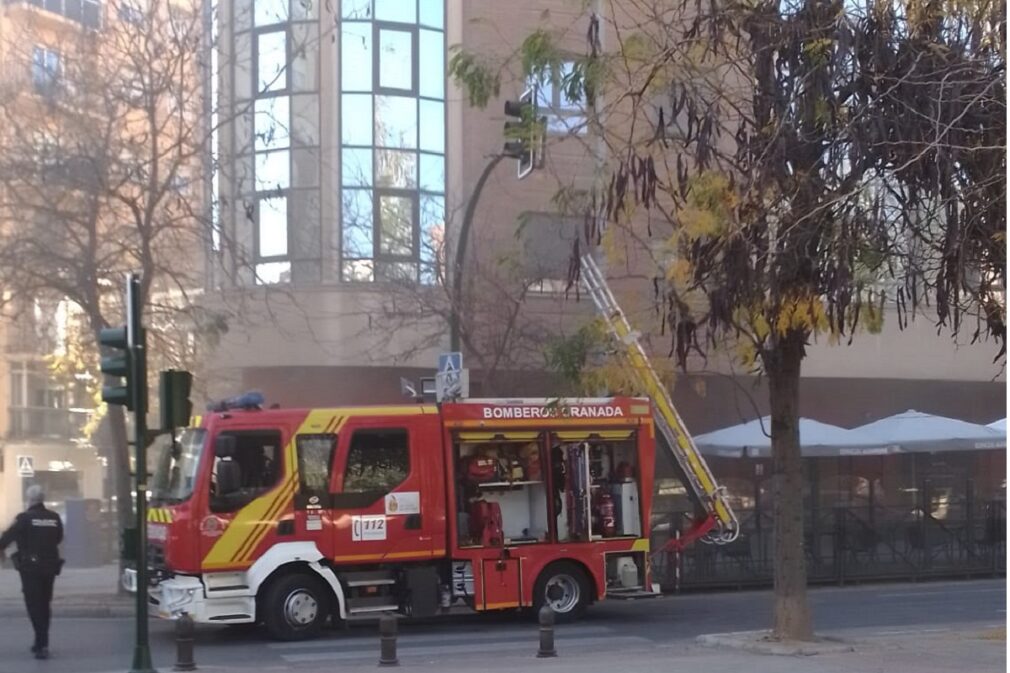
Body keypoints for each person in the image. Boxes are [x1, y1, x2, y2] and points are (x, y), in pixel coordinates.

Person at [0, 485, 64, 660]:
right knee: (45, 603)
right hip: (50, 566)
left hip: (30, 568)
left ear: (29, 500)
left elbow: (6, 537)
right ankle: (40, 642)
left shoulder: (24, 518)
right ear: (42, 499)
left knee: (34, 605)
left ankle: (41, 643)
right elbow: (59, 538)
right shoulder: (54, 517)